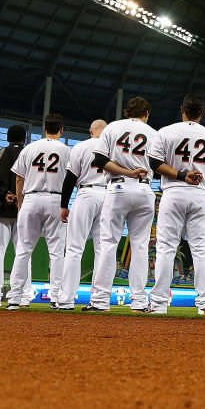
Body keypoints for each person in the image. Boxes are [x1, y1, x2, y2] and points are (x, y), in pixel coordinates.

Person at [146, 94, 205, 314]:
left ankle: (159, 303)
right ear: (202, 113)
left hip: (173, 192)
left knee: (166, 248)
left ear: (182, 110)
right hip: (200, 194)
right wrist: (197, 174)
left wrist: (181, 174)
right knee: (201, 250)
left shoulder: (166, 131)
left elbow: (154, 163)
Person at [88, 98, 157, 311]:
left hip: (118, 188)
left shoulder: (113, 127)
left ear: (128, 111)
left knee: (108, 243)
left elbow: (99, 160)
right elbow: (159, 164)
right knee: (140, 246)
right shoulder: (154, 133)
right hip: (145, 190)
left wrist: (127, 171)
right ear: (146, 113)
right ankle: (139, 301)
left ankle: (100, 301)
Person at [6, 114, 71, 310]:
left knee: (23, 250)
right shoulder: (67, 150)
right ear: (61, 130)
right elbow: (71, 180)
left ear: (44, 129)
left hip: (31, 198)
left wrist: (20, 205)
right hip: (55, 198)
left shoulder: (29, 148)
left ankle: (14, 298)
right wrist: (65, 204)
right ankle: (56, 298)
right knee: (57, 252)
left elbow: (19, 180)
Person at [58, 119, 108, 310]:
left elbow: (70, 178)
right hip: (108, 195)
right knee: (102, 251)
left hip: (86, 193)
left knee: (74, 249)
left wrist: (64, 205)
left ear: (91, 131)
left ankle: (66, 300)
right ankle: (98, 300)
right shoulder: (112, 147)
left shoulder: (81, 146)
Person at [0, 125, 29, 307]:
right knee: (24, 253)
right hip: (24, 209)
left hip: (1, 207)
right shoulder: (29, 153)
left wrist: (3, 193)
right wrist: (20, 196)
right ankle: (23, 297)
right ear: (24, 138)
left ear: (8, 137)